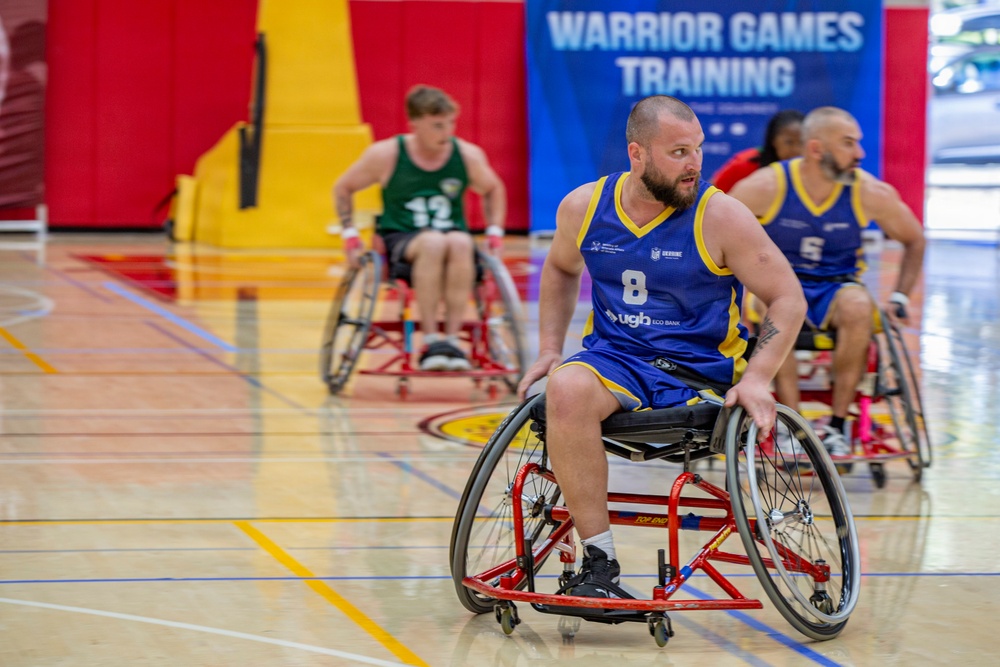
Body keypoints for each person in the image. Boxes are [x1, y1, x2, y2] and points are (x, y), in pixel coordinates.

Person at [515, 95, 807, 600]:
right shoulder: (583, 208)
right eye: (678, 152)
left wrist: (758, 376)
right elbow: (561, 268)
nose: (694, 163)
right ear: (637, 154)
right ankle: (600, 563)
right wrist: (548, 348)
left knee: (573, 388)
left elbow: (786, 298)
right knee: (564, 388)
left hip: (698, 374)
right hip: (617, 362)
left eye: (697, 149)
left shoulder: (721, 216)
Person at [728, 106, 926, 460]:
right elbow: (715, 227)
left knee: (858, 305)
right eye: (849, 144)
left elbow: (914, 239)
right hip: (783, 284)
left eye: (859, 143)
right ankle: (793, 426)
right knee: (779, 306)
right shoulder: (766, 185)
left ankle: (836, 425)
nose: (860, 154)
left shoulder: (870, 192)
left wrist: (899, 294)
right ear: (817, 149)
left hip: (837, 286)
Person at [332, 85, 507, 371]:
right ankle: (431, 338)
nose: (447, 132)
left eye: (451, 123)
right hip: (403, 237)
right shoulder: (387, 154)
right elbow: (344, 187)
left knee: (460, 242)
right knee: (433, 242)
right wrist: (349, 235)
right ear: (414, 124)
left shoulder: (467, 155)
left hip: (452, 239)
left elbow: (493, 188)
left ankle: (450, 340)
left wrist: (495, 232)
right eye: (438, 125)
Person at [710, 109, 804, 193]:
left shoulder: (814, 169)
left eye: (801, 142)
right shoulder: (745, 163)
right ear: (773, 140)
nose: (796, 149)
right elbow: (709, 196)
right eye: (789, 142)